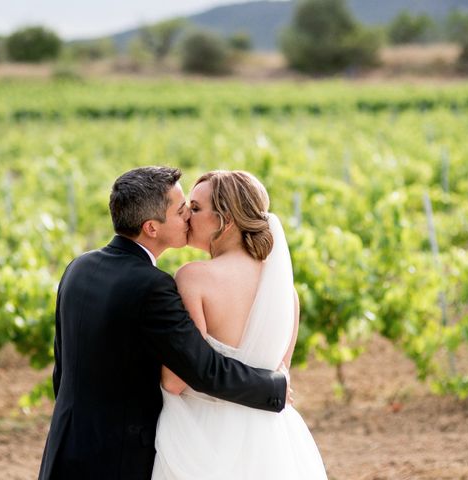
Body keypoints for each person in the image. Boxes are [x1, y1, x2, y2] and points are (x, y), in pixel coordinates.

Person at [38, 167, 289, 480]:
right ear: (151, 228)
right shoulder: (153, 286)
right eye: (182, 210)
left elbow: (62, 369)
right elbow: (200, 368)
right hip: (120, 456)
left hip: (65, 446)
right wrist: (275, 386)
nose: (187, 218)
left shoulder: (78, 268)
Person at [152, 170, 327, 479]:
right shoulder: (287, 294)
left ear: (226, 219)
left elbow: (175, 381)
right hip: (273, 441)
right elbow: (279, 378)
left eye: (195, 208)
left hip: (204, 437)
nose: (187, 217)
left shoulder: (194, 277)